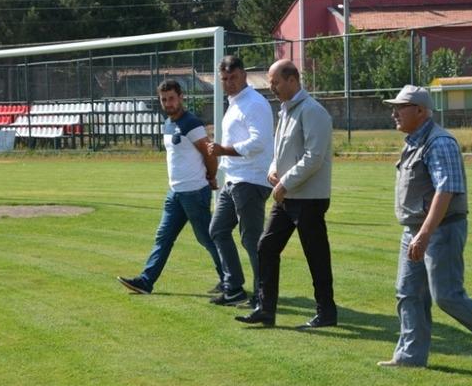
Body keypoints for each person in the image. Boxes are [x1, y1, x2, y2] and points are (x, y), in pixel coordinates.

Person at [377, 84, 472, 372]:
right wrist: (418, 234)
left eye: (400, 107)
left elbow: (446, 191)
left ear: (420, 110)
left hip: (440, 230)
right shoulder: (414, 140)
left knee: (447, 296)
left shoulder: (439, 142)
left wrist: (425, 234)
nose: (394, 112)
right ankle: (409, 357)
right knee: (408, 292)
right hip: (415, 230)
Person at [235, 59, 337, 328]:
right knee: (266, 247)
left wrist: (284, 184)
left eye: (275, 82)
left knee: (316, 256)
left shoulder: (312, 111)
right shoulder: (285, 111)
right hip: (288, 196)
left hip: (309, 199)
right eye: (271, 83)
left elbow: (314, 158)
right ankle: (265, 309)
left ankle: (326, 312)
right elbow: (279, 151)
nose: (272, 88)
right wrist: (272, 169)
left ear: (293, 80)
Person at [118, 79, 223, 294]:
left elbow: (209, 153)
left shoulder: (191, 123)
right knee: (163, 237)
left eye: (172, 99)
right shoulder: (168, 124)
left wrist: (211, 176)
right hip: (175, 193)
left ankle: (230, 280)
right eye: (164, 99)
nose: (168, 103)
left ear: (181, 97)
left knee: (207, 239)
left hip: (194, 192)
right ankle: (146, 282)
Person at [206, 55, 275, 307]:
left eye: (233, 77)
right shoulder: (235, 102)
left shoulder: (254, 103)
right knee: (218, 230)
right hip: (234, 179)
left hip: (252, 179)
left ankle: (262, 295)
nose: (229, 83)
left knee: (251, 239)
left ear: (244, 75)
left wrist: (224, 150)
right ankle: (233, 287)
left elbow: (260, 142)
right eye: (224, 79)